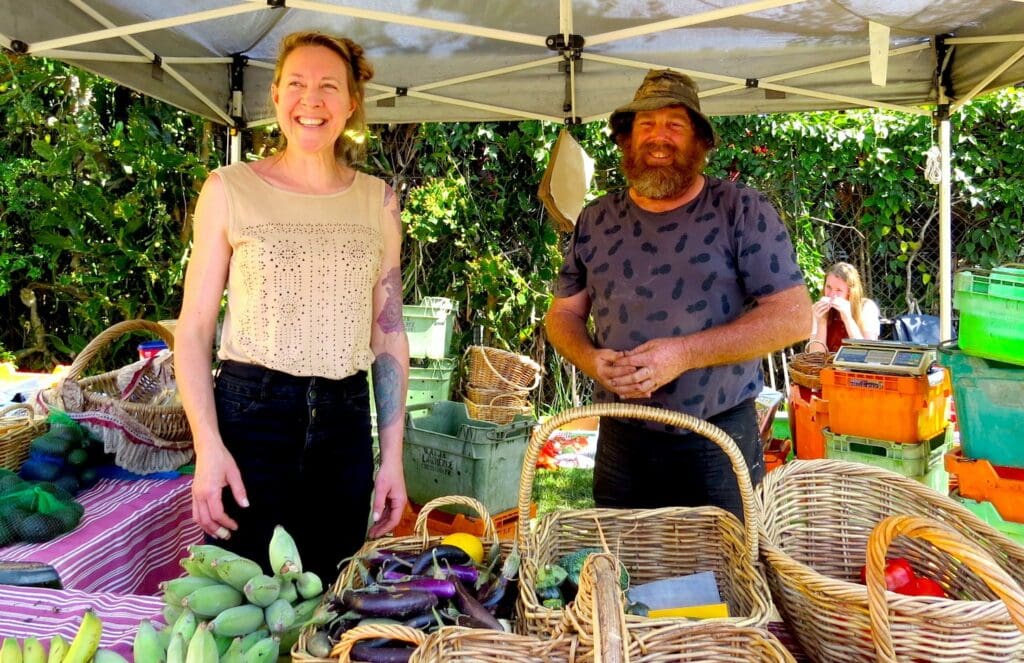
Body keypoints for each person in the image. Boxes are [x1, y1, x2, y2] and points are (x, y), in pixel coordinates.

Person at [174, 31, 409, 582]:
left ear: (351, 103)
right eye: (297, 84)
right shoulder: (228, 189)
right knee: (246, 602)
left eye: (329, 86)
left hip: (345, 424)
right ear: (276, 96)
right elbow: (194, 329)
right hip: (250, 420)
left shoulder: (378, 199)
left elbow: (389, 334)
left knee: (332, 600)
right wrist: (208, 449)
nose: (312, 100)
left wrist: (393, 458)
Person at [545, 69, 811, 519]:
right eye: (646, 124)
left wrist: (684, 354)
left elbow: (793, 317)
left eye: (674, 124)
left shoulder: (741, 210)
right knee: (626, 569)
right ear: (627, 140)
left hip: (718, 437)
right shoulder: (596, 219)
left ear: (700, 142)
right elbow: (563, 315)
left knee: (728, 574)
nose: (658, 137)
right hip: (622, 438)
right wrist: (591, 360)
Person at [809, 262, 881, 352]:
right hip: (827, 365)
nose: (831, 294)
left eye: (838, 290)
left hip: (855, 365)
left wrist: (848, 319)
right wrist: (822, 322)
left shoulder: (866, 307)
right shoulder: (818, 309)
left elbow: (869, 353)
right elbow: (815, 357)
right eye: (828, 287)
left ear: (849, 292)